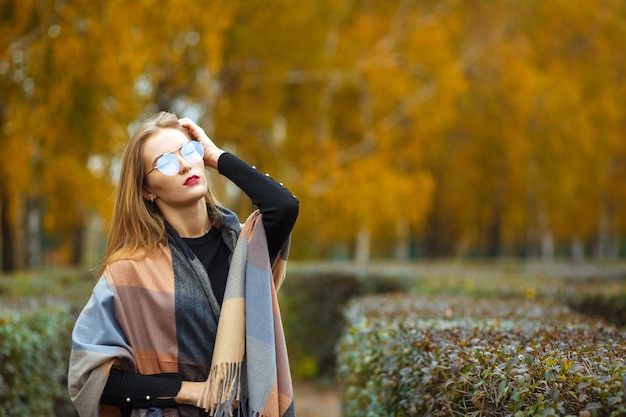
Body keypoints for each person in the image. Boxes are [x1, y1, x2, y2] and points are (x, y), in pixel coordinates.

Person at [68, 111, 299, 417]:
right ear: (147, 190)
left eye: (189, 151)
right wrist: (187, 391)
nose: (184, 164)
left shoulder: (244, 249)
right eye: (165, 162)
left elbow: (284, 205)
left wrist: (217, 156)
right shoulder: (130, 270)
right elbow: (91, 380)